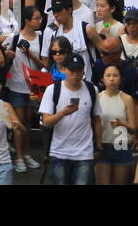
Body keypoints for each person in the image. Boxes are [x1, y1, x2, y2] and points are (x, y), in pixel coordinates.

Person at [39, 52, 101, 185]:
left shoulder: (92, 89)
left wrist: (98, 148)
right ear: (64, 70)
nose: (75, 74)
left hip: (84, 153)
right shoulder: (52, 90)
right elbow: (46, 121)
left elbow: (96, 120)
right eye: (72, 70)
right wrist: (63, 113)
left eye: (79, 71)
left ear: (83, 71)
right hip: (59, 152)